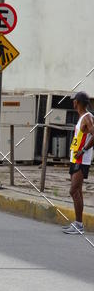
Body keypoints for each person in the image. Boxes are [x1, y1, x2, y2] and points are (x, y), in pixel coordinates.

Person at [63, 91, 94, 235]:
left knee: (73, 191)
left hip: (81, 159)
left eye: (74, 100)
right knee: (78, 191)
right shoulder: (82, 117)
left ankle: (79, 225)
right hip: (75, 158)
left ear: (78, 102)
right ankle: (78, 223)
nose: (73, 102)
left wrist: (84, 150)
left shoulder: (87, 117)